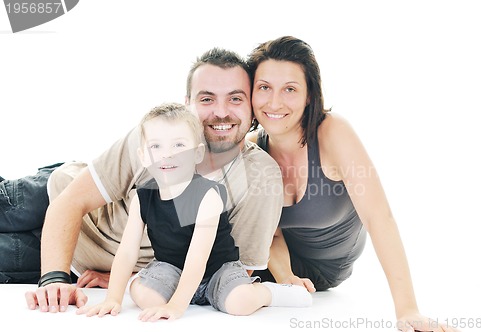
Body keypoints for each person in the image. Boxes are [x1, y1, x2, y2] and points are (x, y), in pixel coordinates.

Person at [23, 47, 284, 313]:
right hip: (60, 209)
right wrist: (54, 278)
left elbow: (233, 268)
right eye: (206, 99)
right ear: (188, 104)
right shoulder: (157, 139)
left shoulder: (259, 178)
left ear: (252, 106)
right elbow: (70, 201)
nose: (220, 112)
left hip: (79, 264)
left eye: (235, 99)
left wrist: (129, 281)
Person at [246, 36, 458, 332]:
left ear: (309, 95)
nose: (274, 102)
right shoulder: (254, 150)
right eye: (264, 88)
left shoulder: (332, 133)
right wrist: (286, 278)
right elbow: (270, 235)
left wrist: (407, 309)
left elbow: (378, 217)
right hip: (279, 267)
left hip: (329, 269)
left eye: (290, 89)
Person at [75, 103, 310, 321]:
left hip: (216, 270)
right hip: (171, 268)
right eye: (156, 146)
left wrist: (177, 305)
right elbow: (127, 252)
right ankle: (151, 286)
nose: (167, 154)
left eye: (178, 145)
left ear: (197, 154)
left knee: (240, 304)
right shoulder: (142, 197)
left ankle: (267, 292)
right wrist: (113, 299)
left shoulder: (207, 195)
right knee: (146, 298)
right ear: (143, 156)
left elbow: (198, 258)